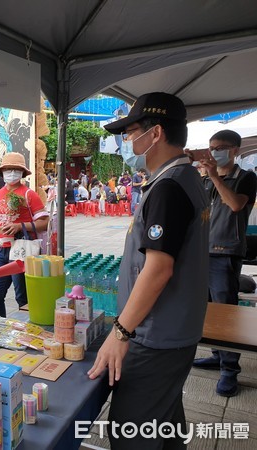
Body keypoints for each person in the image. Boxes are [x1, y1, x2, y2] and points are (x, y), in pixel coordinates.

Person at [87, 92, 209, 449]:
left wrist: (121, 332)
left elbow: (158, 269)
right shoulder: (183, 179)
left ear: (155, 134)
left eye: (131, 131)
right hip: (175, 330)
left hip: (155, 336)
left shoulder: (169, 188)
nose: (127, 140)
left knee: (131, 433)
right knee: (165, 423)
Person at [192, 130, 257, 397]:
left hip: (225, 252)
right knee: (207, 309)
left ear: (235, 150)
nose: (214, 152)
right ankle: (217, 355)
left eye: (220, 147)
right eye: (211, 147)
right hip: (200, 252)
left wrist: (216, 177)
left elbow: (235, 205)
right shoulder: (205, 179)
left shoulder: (246, 177)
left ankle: (230, 370)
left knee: (226, 313)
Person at [0, 152, 48, 321]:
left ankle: (28, 333)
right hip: (0, 252)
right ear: (2, 172)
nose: (11, 172)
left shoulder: (29, 194)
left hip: (21, 250)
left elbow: (45, 223)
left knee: (23, 297)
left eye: (15, 169)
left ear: (22, 172)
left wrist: (19, 226)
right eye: (8, 169)